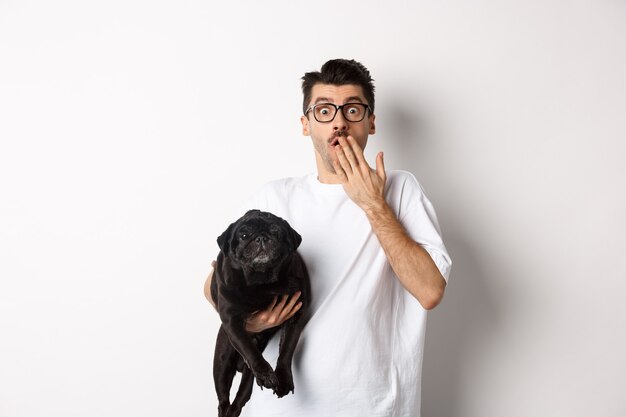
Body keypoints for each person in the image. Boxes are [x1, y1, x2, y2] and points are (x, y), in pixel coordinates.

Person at [204, 59, 451, 417]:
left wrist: (373, 204)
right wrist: (251, 323)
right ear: (306, 124)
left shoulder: (401, 191)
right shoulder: (274, 198)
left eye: (352, 109)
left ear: (371, 121)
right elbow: (212, 285)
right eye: (324, 110)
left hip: (373, 407)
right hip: (277, 408)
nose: (339, 122)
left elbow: (430, 290)